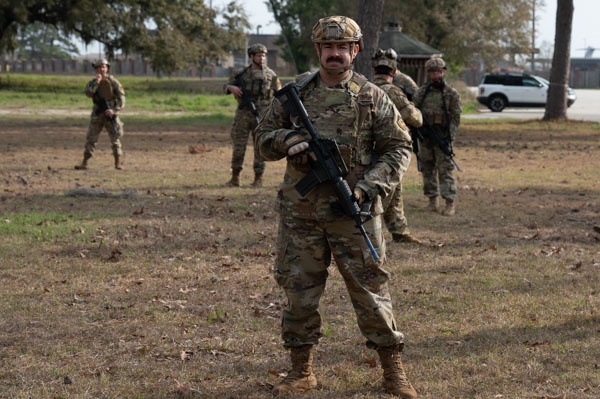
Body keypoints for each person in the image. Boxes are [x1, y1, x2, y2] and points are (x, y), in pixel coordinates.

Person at [255, 16, 418, 398]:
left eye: (342, 47)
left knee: (371, 292)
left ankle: (393, 370)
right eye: (328, 48)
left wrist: (366, 188)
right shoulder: (296, 92)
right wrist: (285, 139)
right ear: (318, 50)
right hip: (302, 214)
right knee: (299, 291)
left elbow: (399, 147)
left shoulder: (372, 96)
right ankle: (301, 371)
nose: (334, 54)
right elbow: (262, 138)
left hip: (354, 213)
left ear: (355, 51)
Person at [372, 48, 423, 244]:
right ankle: (371, 232)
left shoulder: (362, 88)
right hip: (389, 149)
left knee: (395, 189)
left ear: (374, 69)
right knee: (384, 191)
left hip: (368, 148)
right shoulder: (393, 91)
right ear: (394, 72)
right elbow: (415, 118)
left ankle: (399, 230)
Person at [224, 43, 281, 187]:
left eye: (264, 55)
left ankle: (258, 178)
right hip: (243, 115)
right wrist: (231, 87)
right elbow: (225, 86)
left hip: (261, 116)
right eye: (259, 55)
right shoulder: (241, 73)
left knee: (260, 148)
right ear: (251, 57)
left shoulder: (271, 75)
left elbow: (280, 94)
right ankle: (235, 177)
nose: (262, 58)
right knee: (239, 146)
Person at [413, 57, 461, 216]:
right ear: (428, 73)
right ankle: (432, 201)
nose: (436, 75)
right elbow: (414, 113)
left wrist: (449, 136)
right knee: (427, 169)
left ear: (444, 72)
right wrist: (419, 131)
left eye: (439, 72)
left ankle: (449, 203)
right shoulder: (421, 93)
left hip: (442, 138)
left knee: (445, 170)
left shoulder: (451, 94)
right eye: (433, 72)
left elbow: (455, 117)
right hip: (425, 137)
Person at [75, 58, 125, 170]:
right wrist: (97, 82)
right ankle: (84, 162)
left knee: (115, 139)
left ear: (107, 68)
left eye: (103, 67)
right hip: (97, 115)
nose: (101, 69)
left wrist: (114, 110)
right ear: (96, 69)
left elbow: (122, 98)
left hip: (110, 115)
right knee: (91, 139)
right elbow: (88, 93)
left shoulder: (114, 82)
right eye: (98, 67)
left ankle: (118, 162)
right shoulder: (92, 83)